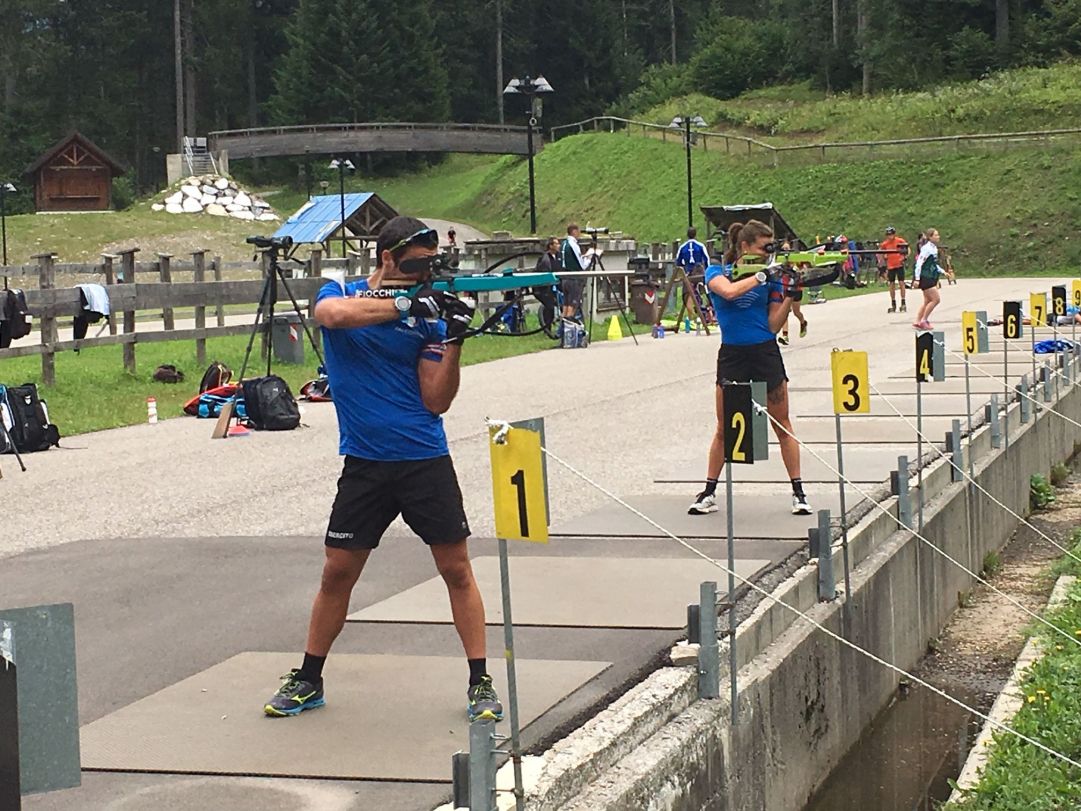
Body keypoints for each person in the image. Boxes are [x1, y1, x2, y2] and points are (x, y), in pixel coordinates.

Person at [263, 215, 503, 724]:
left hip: (422, 458)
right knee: (337, 573)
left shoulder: (429, 315)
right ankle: (308, 677)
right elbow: (329, 315)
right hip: (366, 463)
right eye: (415, 265)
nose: (424, 275)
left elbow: (436, 400)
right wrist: (401, 303)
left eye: (430, 266)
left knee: (456, 569)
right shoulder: (344, 289)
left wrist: (454, 339)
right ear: (387, 257)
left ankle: (480, 681)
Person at [689, 219, 812, 517]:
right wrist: (762, 274)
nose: (766, 253)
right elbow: (729, 293)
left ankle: (798, 491)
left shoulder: (768, 279)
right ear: (744, 246)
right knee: (724, 428)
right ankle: (708, 491)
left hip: (764, 352)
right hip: (733, 354)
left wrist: (790, 295)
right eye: (762, 247)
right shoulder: (717, 271)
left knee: (782, 425)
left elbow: (772, 325)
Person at [911, 228, 943, 330]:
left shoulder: (934, 248)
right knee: (936, 299)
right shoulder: (926, 248)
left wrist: (942, 271)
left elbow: (933, 264)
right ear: (930, 237)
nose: (938, 237)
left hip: (931, 275)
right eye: (936, 235)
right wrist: (917, 279)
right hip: (925, 277)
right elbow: (919, 264)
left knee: (927, 301)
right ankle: (924, 320)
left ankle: (917, 320)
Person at [777, 240, 807, 345]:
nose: (786, 251)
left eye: (787, 248)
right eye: (784, 249)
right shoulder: (780, 261)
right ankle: (785, 335)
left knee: (796, 312)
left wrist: (801, 271)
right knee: (785, 311)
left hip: (796, 288)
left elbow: (804, 268)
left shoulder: (796, 259)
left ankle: (803, 322)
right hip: (785, 288)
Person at [560, 223, 588, 321]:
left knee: (565, 305)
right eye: (578, 231)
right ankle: (569, 326)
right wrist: (588, 259)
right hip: (573, 277)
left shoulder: (563, 244)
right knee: (572, 305)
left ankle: (562, 328)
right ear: (574, 232)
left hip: (565, 277)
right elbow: (582, 264)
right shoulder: (573, 244)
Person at [879, 226, 909, 313]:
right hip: (890, 266)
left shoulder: (900, 241)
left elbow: (907, 248)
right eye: (888, 235)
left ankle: (903, 302)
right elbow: (880, 252)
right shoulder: (885, 244)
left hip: (899, 264)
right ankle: (893, 303)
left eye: (891, 234)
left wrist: (904, 257)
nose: (890, 236)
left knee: (901, 283)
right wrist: (883, 259)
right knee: (891, 284)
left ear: (894, 234)